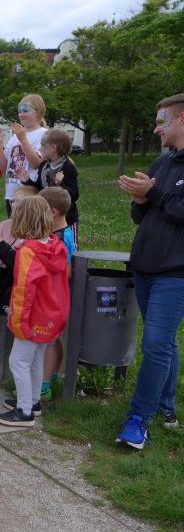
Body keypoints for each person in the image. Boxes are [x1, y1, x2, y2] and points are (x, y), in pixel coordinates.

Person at [116, 93, 184, 449]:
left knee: (155, 343)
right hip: (145, 266)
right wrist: (140, 200)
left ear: (182, 119)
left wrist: (153, 196)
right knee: (164, 341)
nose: (157, 129)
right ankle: (166, 407)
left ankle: (138, 419)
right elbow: (140, 216)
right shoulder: (161, 162)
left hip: (176, 272)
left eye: (162, 122)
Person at [0, 195, 70, 427]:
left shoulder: (28, 252)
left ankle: (24, 411)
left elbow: (24, 290)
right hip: (51, 315)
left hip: (32, 316)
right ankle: (33, 402)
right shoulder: (55, 246)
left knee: (18, 362)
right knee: (36, 360)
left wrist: (18, 320)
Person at [37, 187, 76, 400]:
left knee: (50, 341)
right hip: (54, 297)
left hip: (54, 298)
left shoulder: (61, 237)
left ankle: (44, 385)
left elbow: (66, 271)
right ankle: (51, 375)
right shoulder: (61, 233)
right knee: (53, 338)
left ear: (52, 212)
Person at [0, 94, 48, 217]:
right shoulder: (14, 137)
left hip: (30, 196)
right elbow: (2, 167)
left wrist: (23, 139)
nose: (21, 114)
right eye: (19, 111)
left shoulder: (44, 134)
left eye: (26, 110)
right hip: (12, 196)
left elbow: (37, 164)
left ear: (38, 112)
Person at [0, 186, 36, 314]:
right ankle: (1, 306)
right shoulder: (5, 225)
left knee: (11, 292)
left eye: (18, 201)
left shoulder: (32, 232)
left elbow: (15, 262)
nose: (13, 204)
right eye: (13, 200)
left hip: (13, 278)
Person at [30, 128, 80, 242]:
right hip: (46, 216)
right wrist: (27, 180)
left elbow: (74, 195)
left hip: (66, 218)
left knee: (66, 245)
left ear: (53, 148)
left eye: (43, 145)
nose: (40, 148)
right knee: (49, 245)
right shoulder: (44, 166)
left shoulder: (68, 167)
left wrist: (61, 184)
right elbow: (40, 188)